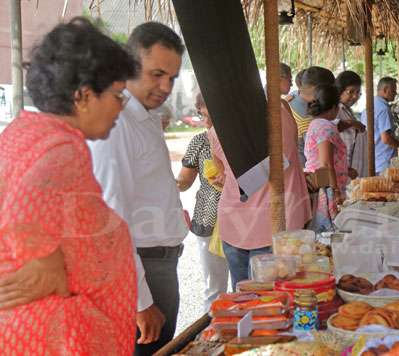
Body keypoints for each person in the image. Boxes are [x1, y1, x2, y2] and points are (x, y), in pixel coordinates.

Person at [0, 18, 137, 354]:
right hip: (57, 333)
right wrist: (44, 262)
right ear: (84, 96)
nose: (121, 107)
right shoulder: (62, 148)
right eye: (118, 95)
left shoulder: (23, 133)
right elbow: (23, 210)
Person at [87, 22, 189, 355]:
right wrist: (140, 300)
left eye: (172, 78)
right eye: (157, 74)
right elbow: (110, 219)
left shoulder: (142, 116)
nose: (165, 86)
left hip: (158, 265)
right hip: (142, 271)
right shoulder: (117, 123)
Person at [209, 103, 311, 288]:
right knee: (274, 300)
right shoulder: (281, 110)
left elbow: (222, 173)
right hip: (275, 223)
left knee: (244, 298)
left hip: (236, 220)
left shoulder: (218, 128)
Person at [176, 92, 229, 310]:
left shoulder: (234, 139)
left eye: (207, 112)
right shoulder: (200, 141)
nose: (203, 117)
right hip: (213, 218)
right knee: (220, 287)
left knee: (230, 286)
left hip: (233, 218)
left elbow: (183, 182)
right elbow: (184, 182)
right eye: (201, 111)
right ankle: (214, 333)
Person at [304, 84, 350, 232]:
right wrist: (335, 191)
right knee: (328, 231)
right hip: (326, 187)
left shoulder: (315, 124)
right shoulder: (325, 127)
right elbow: (325, 163)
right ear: (334, 107)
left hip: (323, 183)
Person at [360, 77, 399, 175]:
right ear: (385, 90)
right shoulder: (383, 109)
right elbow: (387, 139)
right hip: (383, 162)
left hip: (374, 160)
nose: (395, 94)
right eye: (393, 91)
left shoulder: (370, 105)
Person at [288, 66, 335, 165]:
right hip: (306, 172)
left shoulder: (293, 97)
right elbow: (322, 158)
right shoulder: (308, 118)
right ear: (317, 89)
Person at [335, 70, 368, 178]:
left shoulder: (348, 111)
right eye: (351, 92)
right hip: (343, 170)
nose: (355, 96)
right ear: (340, 90)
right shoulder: (335, 110)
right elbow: (332, 127)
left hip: (352, 168)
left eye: (358, 92)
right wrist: (352, 123)